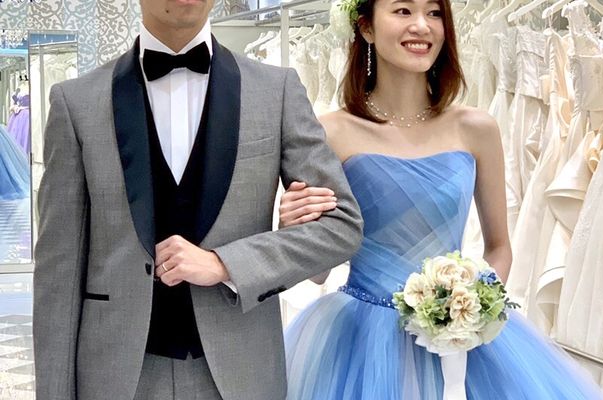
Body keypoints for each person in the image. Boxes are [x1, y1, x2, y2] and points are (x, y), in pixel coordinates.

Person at [32, 0, 363, 398]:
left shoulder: (276, 90)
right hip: (115, 374)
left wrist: (227, 264)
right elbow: (58, 272)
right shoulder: (76, 103)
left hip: (241, 370)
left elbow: (341, 227)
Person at [279, 0, 603, 398]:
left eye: (434, 13)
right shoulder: (331, 132)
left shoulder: (476, 128)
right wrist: (295, 228)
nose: (422, 26)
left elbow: (499, 247)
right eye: (403, 11)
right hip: (360, 340)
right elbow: (318, 273)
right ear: (366, 27)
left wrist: (473, 306)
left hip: (460, 339)